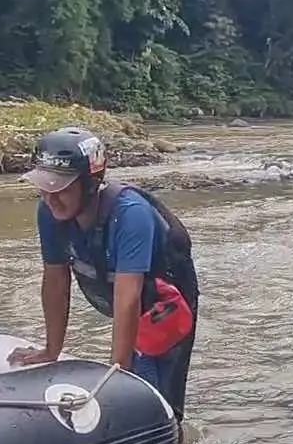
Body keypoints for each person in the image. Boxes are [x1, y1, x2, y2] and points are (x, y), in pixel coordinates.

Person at [11, 126, 200, 423]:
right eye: (44, 188)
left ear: (89, 184)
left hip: (165, 306)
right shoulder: (49, 212)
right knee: (134, 372)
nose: (51, 198)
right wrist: (51, 350)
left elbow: (129, 296)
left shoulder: (130, 214)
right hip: (122, 292)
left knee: (159, 394)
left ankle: (172, 439)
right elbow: (55, 280)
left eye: (60, 189)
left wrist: (118, 372)